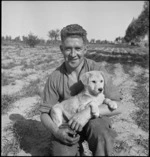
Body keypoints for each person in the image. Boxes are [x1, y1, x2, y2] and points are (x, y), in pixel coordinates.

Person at [39, 24, 123, 156]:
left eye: (78, 48)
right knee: (62, 153)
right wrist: (56, 132)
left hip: (95, 120)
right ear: (61, 49)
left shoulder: (97, 70)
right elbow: (44, 114)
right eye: (68, 49)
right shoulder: (55, 77)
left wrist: (87, 113)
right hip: (68, 123)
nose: (73, 54)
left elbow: (120, 106)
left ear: (85, 49)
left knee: (102, 133)